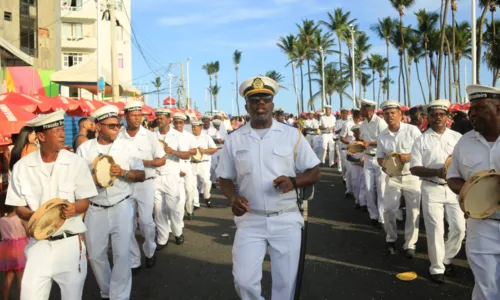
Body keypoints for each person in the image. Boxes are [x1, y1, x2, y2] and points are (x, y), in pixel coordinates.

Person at [217, 76, 320, 300]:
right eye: (254, 100)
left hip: (285, 218)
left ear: (272, 104)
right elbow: (224, 178)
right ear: (247, 106)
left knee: (285, 284)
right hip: (250, 219)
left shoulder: (291, 135)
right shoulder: (235, 139)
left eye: (265, 99)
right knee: (243, 281)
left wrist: (294, 182)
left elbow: (314, 171)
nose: (260, 104)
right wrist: (232, 198)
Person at [7, 110, 98, 300]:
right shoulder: (22, 167)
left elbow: (85, 200)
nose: (63, 134)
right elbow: (18, 207)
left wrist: (74, 208)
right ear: (41, 136)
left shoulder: (75, 162)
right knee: (29, 295)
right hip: (38, 245)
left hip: (69, 244)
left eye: (62, 129)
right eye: (56, 130)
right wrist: (36, 217)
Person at [77, 105, 145, 300]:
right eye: (112, 126)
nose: (117, 129)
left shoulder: (128, 147)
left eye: (118, 125)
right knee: (96, 256)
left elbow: (141, 175)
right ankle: (107, 291)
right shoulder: (84, 149)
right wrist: (92, 175)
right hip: (95, 208)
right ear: (99, 126)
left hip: (121, 206)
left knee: (122, 255)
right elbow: (75, 180)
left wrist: (123, 172)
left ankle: (119, 296)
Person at [447, 85, 500, 299]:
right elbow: (452, 177)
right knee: (487, 288)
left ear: (498, 109)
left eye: (479, 108)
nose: (473, 114)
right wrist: (474, 191)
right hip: (482, 226)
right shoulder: (465, 141)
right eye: (471, 109)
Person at [410, 99, 465, 284]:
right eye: (434, 115)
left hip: (454, 189)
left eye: (441, 114)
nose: (438, 118)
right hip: (431, 188)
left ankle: (447, 258)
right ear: (428, 118)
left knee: (459, 229)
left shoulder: (457, 137)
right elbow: (414, 168)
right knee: (435, 230)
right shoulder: (421, 140)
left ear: (447, 117)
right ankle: (437, 268)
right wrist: (436, 172)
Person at [118, 101, 166, 272]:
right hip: (125, 184)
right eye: (133, 115)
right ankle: (134, 259)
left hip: (145, 183)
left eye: (140, 115)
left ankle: (150, 250)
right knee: (127, 224)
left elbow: (161, 160)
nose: (137, 118)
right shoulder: (118, 136)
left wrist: (143, 162)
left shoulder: (150, 136)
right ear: (125, 116)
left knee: (146, 222)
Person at [376, 100, 422, 257]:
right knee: (388, 209)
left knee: (413, 211)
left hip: (412, 176)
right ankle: (390, 238)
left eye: (393, 112)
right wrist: (385, 164)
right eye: (386, 113)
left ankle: (410, 244)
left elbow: (422, 150)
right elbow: (380, 157)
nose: (390, 116)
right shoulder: (382, 135)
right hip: (393, 176)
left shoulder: (412, 130)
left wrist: (409, 157)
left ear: (400, 115)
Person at [154, 108, 192, 247]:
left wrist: (173, 152)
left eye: (162, 117)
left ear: (169, 119)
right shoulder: (152, 135)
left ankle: (177, 231)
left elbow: (187, 155)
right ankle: (162, 238)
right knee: (158, 210)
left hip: (171, 176)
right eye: (158, 117)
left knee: (173, 208)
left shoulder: (177, 135)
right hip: (156, 175)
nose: (159, 120)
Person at [359, 98, 388, 227]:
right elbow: (362, 140)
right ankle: (373, 215)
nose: (360, 111)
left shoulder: (380, 123)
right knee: (368, 187)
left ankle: (382, 217)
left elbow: (385, 141)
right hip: (368, 157)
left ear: (367, 109)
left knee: (381, 188)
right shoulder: (363, 124)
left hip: (379, 157)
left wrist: (369, 143)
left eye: (362, 109)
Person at [0, 203, 28, 300]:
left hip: (7, 249)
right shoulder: (20, 219)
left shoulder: (1, 220)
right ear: (16, 207)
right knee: (21, 278)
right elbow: (28, 233)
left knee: (8, 275)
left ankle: (4, 298)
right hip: (20, 249)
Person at [172, 113, 198, 219]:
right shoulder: (170, 134)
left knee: (189, 189)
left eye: (180, 122)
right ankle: (178, 214)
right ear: (173, 123)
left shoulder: (188, 135)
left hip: (187, 164)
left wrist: (185, 152)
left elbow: (195, 150)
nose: (178, 124)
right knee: (177, 192)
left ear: (183, 123)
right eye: (176, 122)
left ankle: (189, 210)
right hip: (174, 164)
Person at [191, 121, 218, 208]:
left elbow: (214, 149)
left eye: (196, 126)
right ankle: (196, 203)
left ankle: (207, 196)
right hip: (192, 163)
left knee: (206, 181)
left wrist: (205, 151)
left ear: (200, 127)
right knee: (192, 184)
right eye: (193, 126)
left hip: (204, 162)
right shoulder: (188, 137)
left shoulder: (206, 137)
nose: (194, 128)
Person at [340, 109, 363, 200]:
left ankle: (360, 197)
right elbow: (342, 138)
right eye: (358, 116)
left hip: (360, 150)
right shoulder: (347, 124)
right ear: (354, 116)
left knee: (359, 176)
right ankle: (349, 190)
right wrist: (351, 144)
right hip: (348, 149)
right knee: (349, 171)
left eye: (360, 116)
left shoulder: (363, 124)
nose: (359, 118)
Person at [347, 124, 366, 210]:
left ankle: (363, 203)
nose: (358, 134)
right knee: (356, 184)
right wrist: (358, 161)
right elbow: (348, 157)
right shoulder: (351, 143)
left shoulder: (366, 143)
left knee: (364, 185)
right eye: (356, 133)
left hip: (365, 166)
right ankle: (358, 200)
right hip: (355, 166)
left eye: (360, 132)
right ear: (354, 134)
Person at [333, 108, 349, 174]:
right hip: (339, 140)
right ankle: (340, 169)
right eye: (343, 113)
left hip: (347, 140)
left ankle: (346, 170)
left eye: (346, 113)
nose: (344, 115)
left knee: (347, 156)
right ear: (341, 114)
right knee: (339, 155)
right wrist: (342, 128)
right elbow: (335, 131)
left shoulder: (350, 121)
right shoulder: (338, 122)